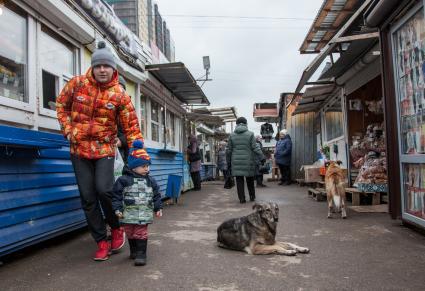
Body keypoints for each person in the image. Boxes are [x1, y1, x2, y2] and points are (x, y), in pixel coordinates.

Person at [56, 41, 143, 261]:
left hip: (105, 150)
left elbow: (132, 127)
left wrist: (140, 155)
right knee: (87, 197)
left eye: (106, 66)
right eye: (98, 66)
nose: (102, 70)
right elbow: (61, 106)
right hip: (79, 150)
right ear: (93, 68)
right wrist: (68, 130)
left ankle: (116, 227)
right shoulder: (77, 84)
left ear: (113, 69)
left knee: (104, 190)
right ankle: (100, 241)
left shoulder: (120, 95)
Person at [112, 140, 163, 266]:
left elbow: (156, 194)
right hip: (127, 214)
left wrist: (158, 207)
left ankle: (141, 254)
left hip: (143, 213)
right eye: (144, 166)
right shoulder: (123, 180)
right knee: (130, 232)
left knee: (140, 233)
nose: (147, 168)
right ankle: (134, 251)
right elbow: (116, 195)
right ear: (133, 166)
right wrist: (117, 208)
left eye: (148, 166)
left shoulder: (150, 181)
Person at [227, 117, 265, 203]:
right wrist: (262, 157)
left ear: (236, 124)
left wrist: (228, 162)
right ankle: (252, 196)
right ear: (246, 123)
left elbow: (228, 150)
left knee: (239, 180)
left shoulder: (232, 135)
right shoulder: (250, 134)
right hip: (248, 161)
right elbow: (255, 148)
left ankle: (242, 199)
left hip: (235, 161)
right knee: (250, 179)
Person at [115, 75, 130, 165]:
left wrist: (121, 141)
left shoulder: (128, 109)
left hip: (122, 153)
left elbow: (133, 133)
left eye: (121, 89)